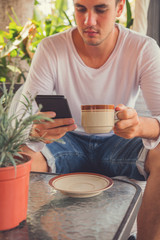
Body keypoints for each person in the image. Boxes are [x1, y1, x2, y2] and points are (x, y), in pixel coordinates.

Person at [17, 0, 160, 239]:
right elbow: (24, 118)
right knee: (21, 158)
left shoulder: (143, 48)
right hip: (66, 140)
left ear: (120, 8)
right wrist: (36, 130)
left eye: (100, 9)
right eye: (81, 8)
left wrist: (139, 125)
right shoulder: (51, 48)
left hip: (119, 140)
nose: (88, 21)